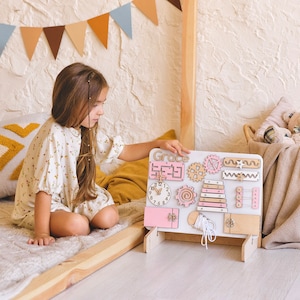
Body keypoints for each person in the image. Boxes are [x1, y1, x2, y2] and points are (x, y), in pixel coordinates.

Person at [11, 62, 190, 246]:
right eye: (95, 104)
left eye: (102, 104)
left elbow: (125, 151)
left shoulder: (84, 129)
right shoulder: (53, 136)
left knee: (109, 217)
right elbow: (44, 191)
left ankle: (76, 215)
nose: (101, 111)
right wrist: (41, 232)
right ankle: (72, 219)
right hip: (41, 206)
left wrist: (158, 144)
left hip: (72, 196)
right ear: (74, 102)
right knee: (78, 226)